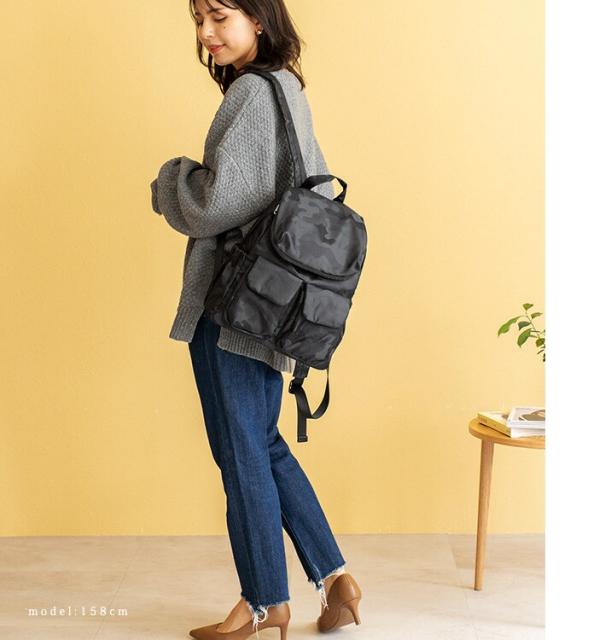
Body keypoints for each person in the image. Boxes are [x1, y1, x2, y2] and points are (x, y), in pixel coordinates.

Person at [150, 1, 363, 638]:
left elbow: (216, 203)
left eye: (220, 16)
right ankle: (335, 577)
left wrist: (171, 179)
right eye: (198, 19)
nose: (206, 33)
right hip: (274, 302)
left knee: (241, 450)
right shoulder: (287, 88)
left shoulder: (250, 93)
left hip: (235, 304)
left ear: (259, 18)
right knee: (259, 441)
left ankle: (265, 603)